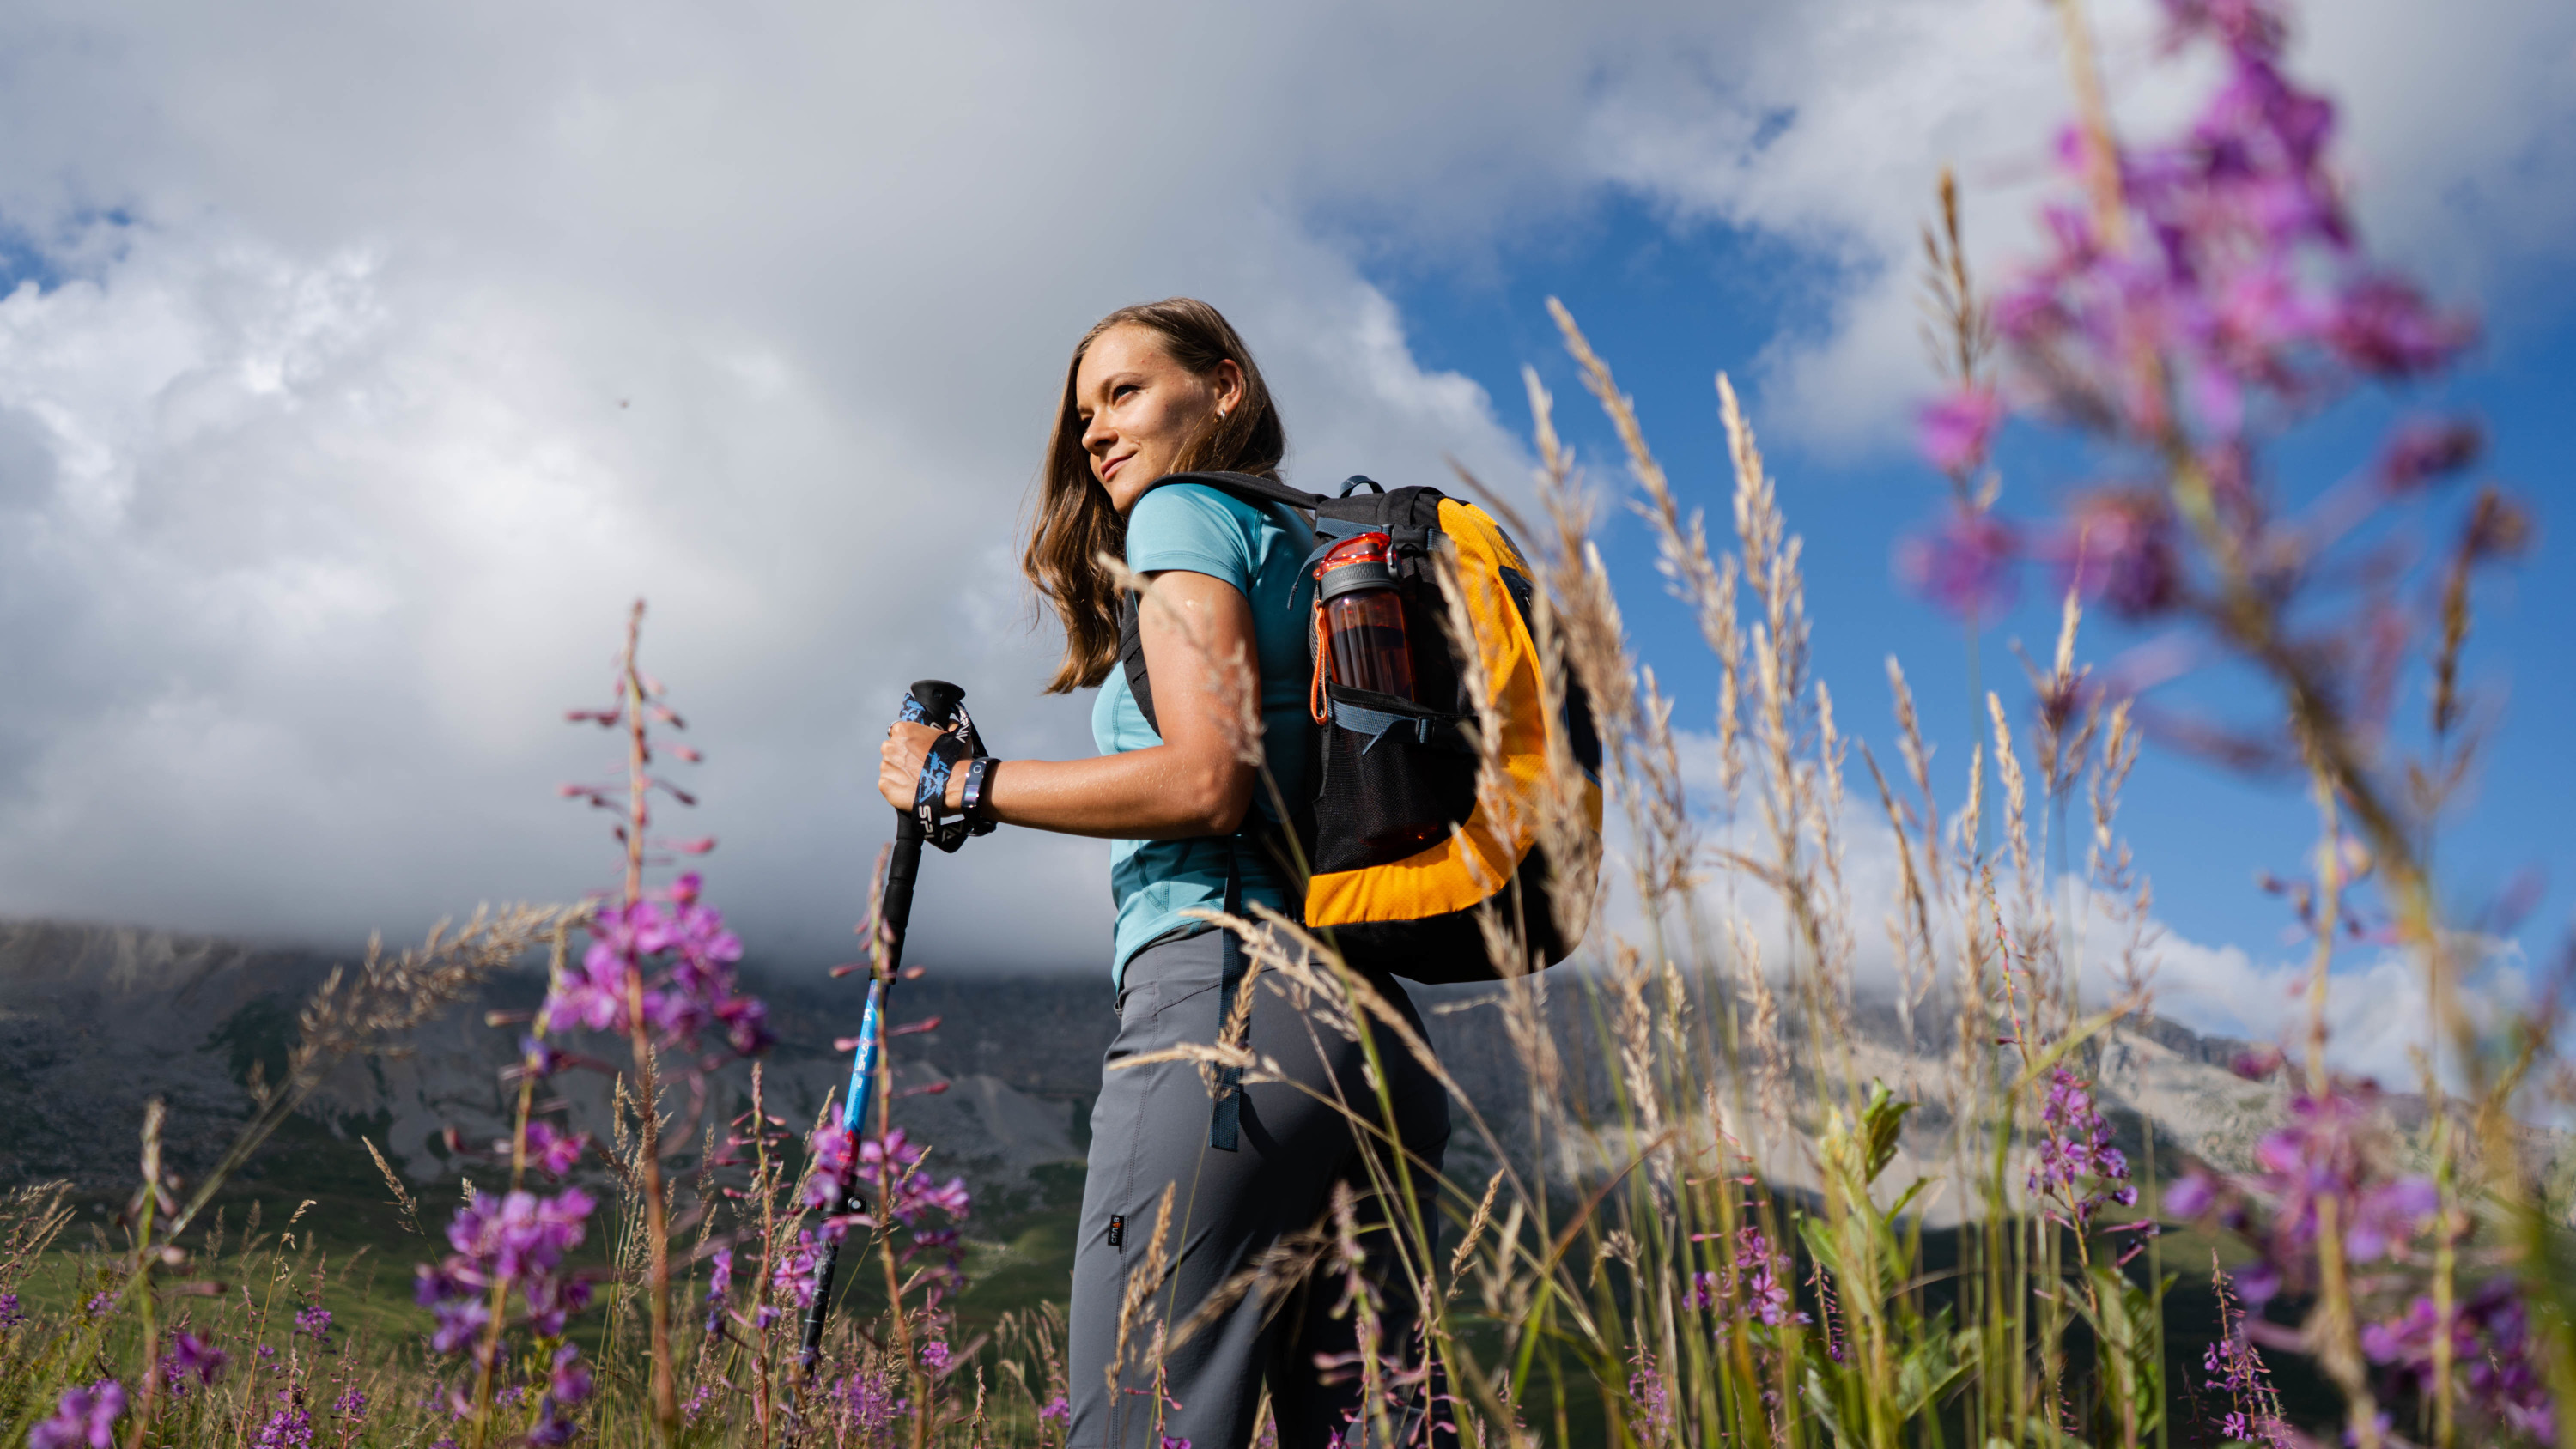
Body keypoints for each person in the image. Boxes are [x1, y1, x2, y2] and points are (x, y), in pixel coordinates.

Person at [878, 299, 1451, 1449]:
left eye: (1125, 393)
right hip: (1381, 1036)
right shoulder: (1318, 545)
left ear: (1225, 388)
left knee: (1139, 1426)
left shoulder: (1189, 513)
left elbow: (1203, 781)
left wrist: (963, 786)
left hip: (1228, 1013)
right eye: (1083, 412)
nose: (1093, 432)